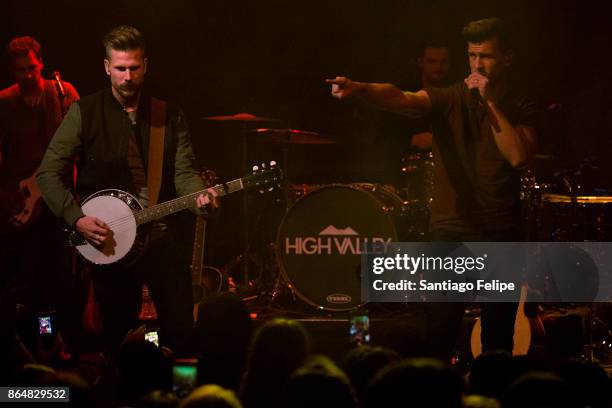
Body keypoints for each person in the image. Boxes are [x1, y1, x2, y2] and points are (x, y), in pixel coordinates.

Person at [327, 17, 538, 357]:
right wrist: (361, 88)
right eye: (472, 56)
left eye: (487, 56)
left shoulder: (520, 104)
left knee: (498, 342)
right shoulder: (450, 97)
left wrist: (489, 102)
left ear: (507, 58)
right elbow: (401, 98)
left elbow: (516, 155)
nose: (478, 65)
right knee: (438, 333)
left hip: (501, 235)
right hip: (450, 234)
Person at [36, 25, 218, 353]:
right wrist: (75, 217)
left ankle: (182, 396)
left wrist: (201, 198)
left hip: (162, 239)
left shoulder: (168, 114)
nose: (127, 77)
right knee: (116, 339)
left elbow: (185, 174)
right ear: (107, 67)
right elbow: (48, 173)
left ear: (145, 65)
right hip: (111, 244)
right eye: (120, 68)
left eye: (134, 68)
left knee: (182, 337)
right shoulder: (85, 112)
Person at [0, 36, 80, 341]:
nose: (28, 75)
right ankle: (39, 343)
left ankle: (67, 344)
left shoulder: (61, 93)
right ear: (12, 71)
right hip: (23, 201)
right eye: (21, 70)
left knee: (63, 277)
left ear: (41, 63)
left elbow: (80, 139)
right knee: (31, 283)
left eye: (32, 68)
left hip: (58, 199)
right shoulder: (5, 102)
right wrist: (6, 194)